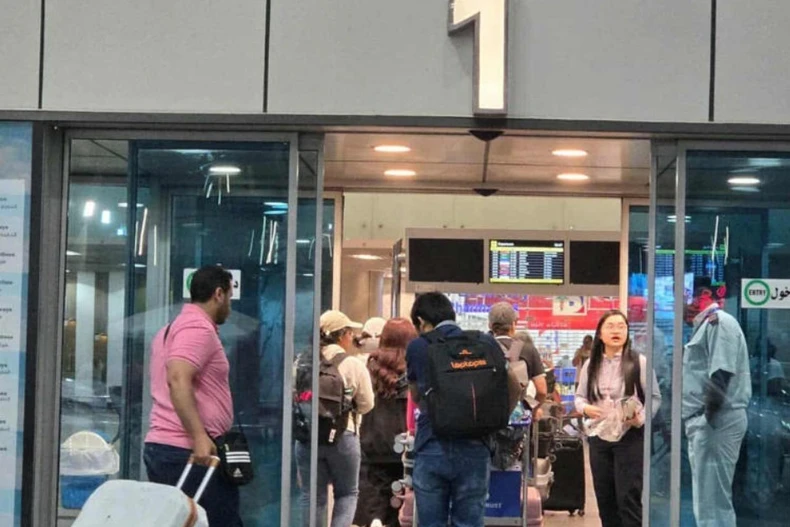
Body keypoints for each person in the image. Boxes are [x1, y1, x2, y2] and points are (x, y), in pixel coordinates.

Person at [406, 292, 521, 527]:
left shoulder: (418, 346)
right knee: (469, 522)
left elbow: (416, 395)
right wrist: (498, 418)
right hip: (476, 446)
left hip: (432, 445)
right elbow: (513, 385)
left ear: (420, 321)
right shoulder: (485, 342)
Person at [144, 265, 242, 527]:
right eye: (230, 297)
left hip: (172, 448)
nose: (229, 306)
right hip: (186, 451)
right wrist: (199, 436)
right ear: (218, 294)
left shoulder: (170, 329)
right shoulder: (196, 328)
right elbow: (177, 378)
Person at [575, 310, 661, 527]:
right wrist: (585, 408)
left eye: (621, 326)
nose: (616, 331)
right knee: (605, 498)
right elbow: (579, 396)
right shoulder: (590, 365)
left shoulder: (638, 362)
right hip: (598, 436)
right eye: (610, 326)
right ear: (600, 334)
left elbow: (654, 397)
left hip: (629, 437)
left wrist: (639, 418)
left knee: (628, 498)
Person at [296, 310, 375, 527]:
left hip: (307, 437)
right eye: (349, 332)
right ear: (342, 335)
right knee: (347, 494)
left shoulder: (301, 361)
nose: (352, 338)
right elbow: (367, 404)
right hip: (343, 435)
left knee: (312, 496)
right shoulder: (353, 364)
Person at [682, 287, 751, 527]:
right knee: (707, 500)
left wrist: (706, 418)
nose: (681, 306)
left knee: (713, 504)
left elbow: (721, 373)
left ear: (703, 296)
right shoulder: (706, 325)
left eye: (684, 298)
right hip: (709, 421)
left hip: (716, 421)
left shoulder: (718, 322)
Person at [355, 318, 418, 527]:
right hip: (406, 447)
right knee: (407, 508)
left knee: (375, 507)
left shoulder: (369, 366)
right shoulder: (417, 368)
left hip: (372, 445)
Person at [488, 302, 548, 414]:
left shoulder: (484, 347)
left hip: (489, 416)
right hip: (517, 418)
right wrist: (532, 408)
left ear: (490, 325)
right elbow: (542, 391)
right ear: (514, 324)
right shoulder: (527, 349)